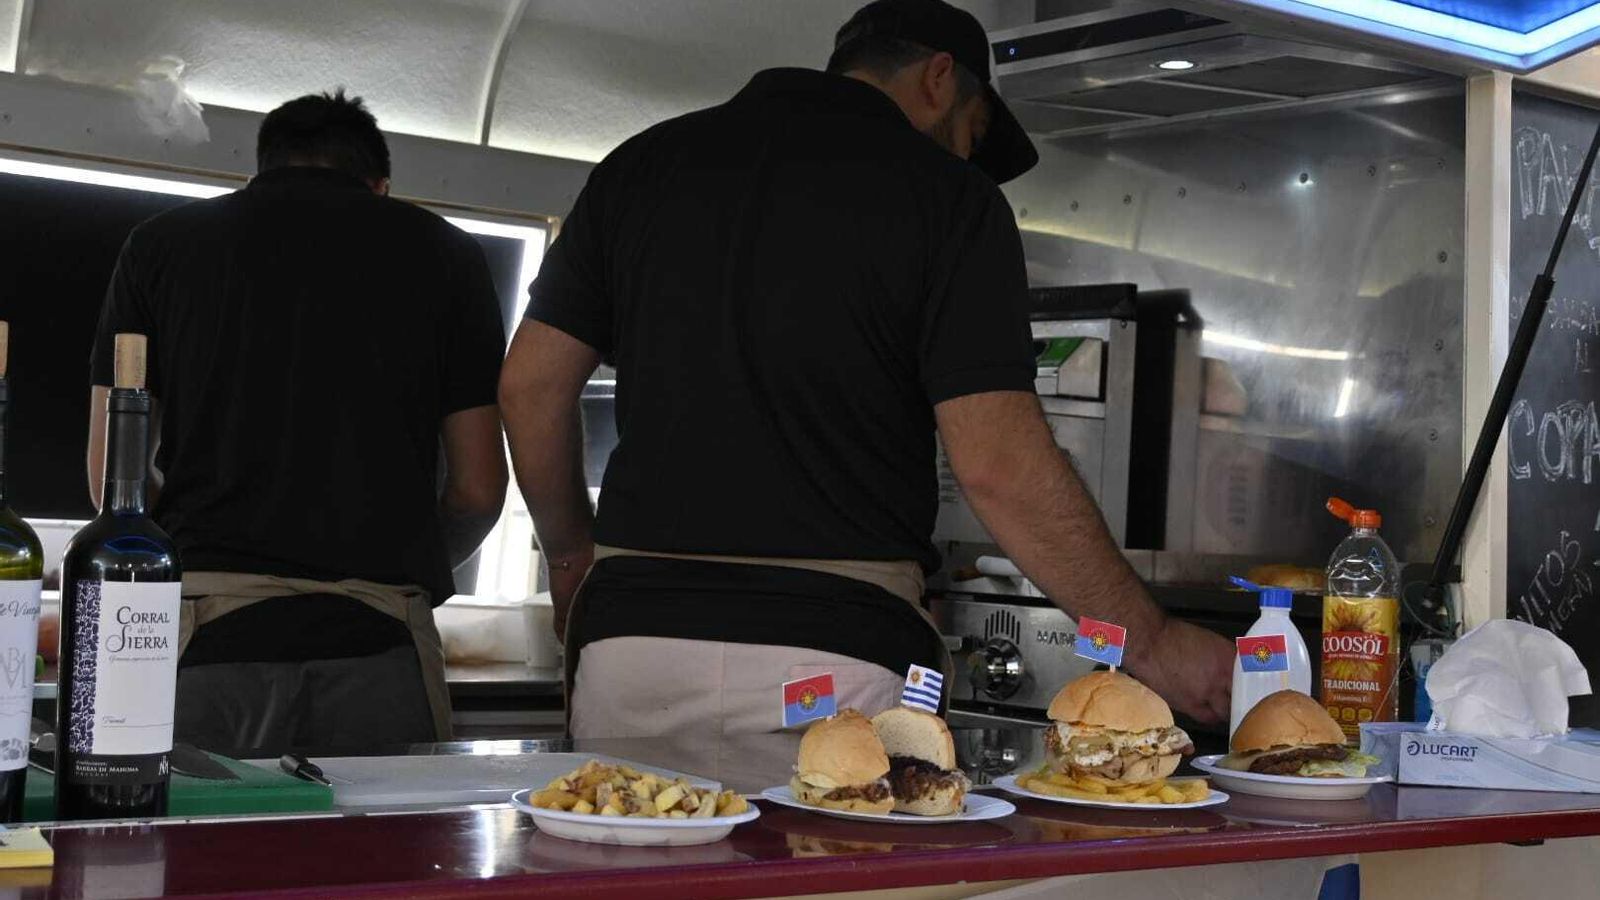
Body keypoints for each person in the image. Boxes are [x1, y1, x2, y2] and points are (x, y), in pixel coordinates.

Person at [499, 0, 1234, 739]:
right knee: (831, 854)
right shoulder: (950, 199)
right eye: (974, 135)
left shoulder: (639, 166)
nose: (968, 157)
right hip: (831, 660)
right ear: (940, 79)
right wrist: (1156, 644)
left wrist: (571, 559)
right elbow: (999, 467)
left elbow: (530, 387)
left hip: (629, 648)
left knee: (632, 847)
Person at [87, 90, 508, 754]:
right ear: (381, 186)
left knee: (181, 853)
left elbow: (113, 481)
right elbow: (480, 489)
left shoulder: (160, 247)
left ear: (256, 174)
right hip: (379, 643)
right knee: (383, 860)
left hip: (202, 638)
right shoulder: (449, 256)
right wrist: (395, 564)